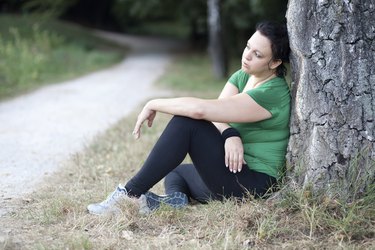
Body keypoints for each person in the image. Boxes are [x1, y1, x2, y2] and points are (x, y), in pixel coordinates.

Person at [87, 20, 291, 215]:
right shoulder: (243, 76)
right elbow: (217, 115)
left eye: (257, 54)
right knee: (175, 172)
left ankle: (128, 196)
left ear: (275, 62)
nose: (247, 56)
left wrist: (153, 103)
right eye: (248, 47)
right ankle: (176, 201)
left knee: (187, 123)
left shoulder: (272, 93)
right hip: (231, 170)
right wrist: (230, 133)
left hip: (254, 182)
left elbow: (202, 111)